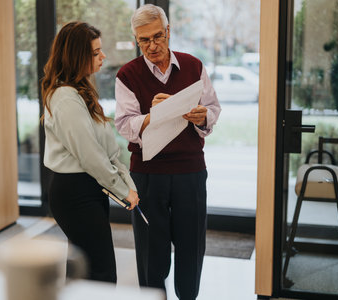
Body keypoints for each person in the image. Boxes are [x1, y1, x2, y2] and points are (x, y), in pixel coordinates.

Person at [115, 4, 221, 299]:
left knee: (191, 245)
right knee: (151, 250)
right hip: (148, 174)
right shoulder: (127, 74)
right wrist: (152, 115)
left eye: (157, 37)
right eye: (144, 40)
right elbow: (123, 125)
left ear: (169, 32)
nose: (152, 45)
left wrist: (203, 117)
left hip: (190, 170)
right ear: (136, 39)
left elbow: (213, 108)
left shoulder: (193, 66)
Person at [41, 21, 140, 283]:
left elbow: (106, 149)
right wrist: (122, 190)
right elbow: (91, 156)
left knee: (84, 269)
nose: (103, 56)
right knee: (101, 272)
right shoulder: (65, 98)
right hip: (75, 192)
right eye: (96, 52)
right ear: (77, 56)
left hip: (84, 189)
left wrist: (125, 181)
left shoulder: (78, 91)